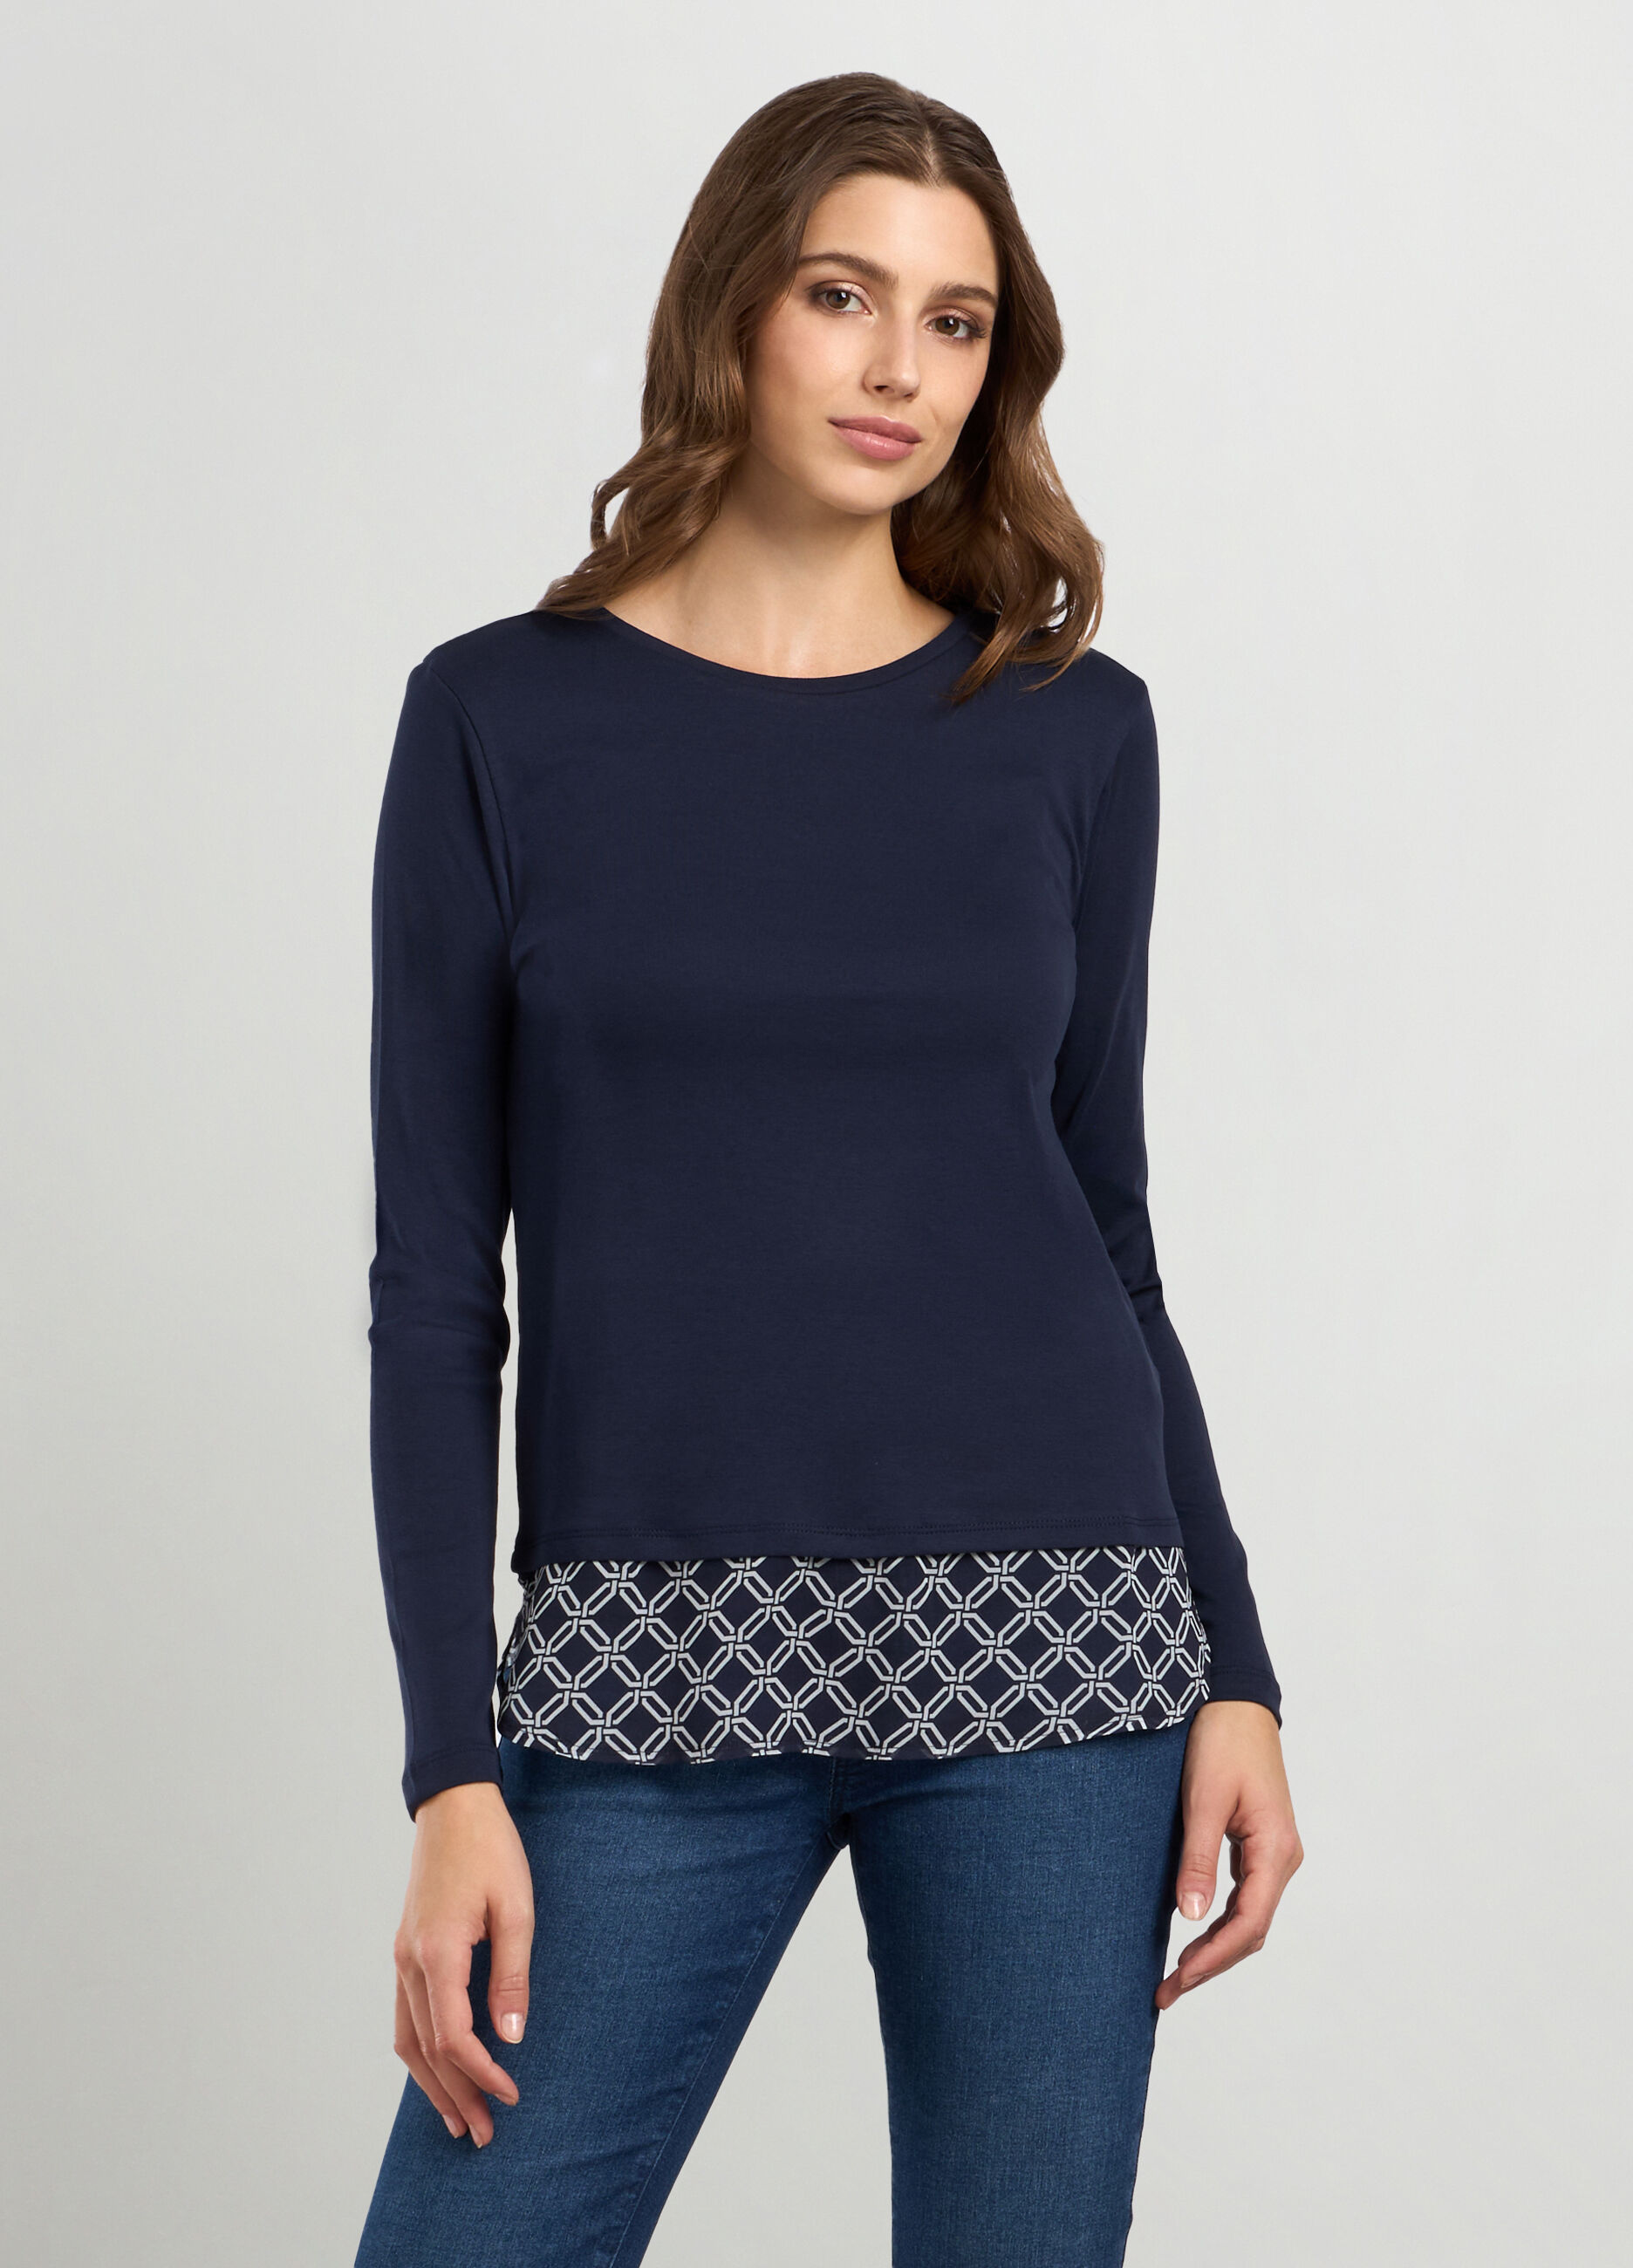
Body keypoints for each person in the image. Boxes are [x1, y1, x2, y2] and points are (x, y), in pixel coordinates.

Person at [353, 70, 1302, 2268]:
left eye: (956, 323)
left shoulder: (1073, 729)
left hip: (1063, 1646)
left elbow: (1107, 1221)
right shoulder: (499, 721)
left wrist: (1238, 1668)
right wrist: (449, 1768)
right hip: (647, 1659)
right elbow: (435, 1287)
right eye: (843, 296)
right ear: (731, 311)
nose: (901, 370)